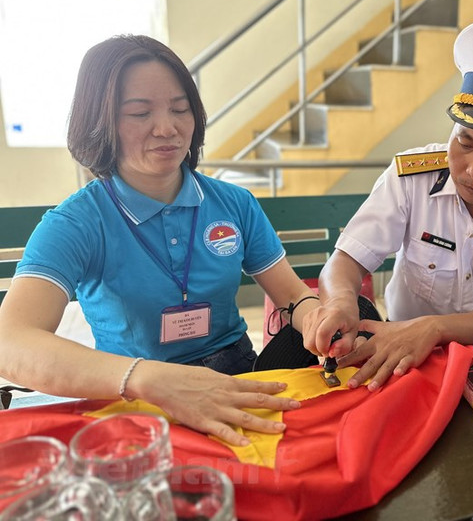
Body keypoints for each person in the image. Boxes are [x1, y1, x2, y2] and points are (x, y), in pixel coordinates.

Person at [0, 35, 320, 445]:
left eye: (180, 109)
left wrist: (316, 318)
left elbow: (293, 295)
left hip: (236, 371)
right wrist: (146, 378)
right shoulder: (77, 223)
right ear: (100, 122)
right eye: (139, 112)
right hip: (135, 392)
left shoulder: (233, 203)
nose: (167, 128)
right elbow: (11, 341)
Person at [301, 20, 473, 389]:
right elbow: (347, 260)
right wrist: (340, 300)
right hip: (404, 358)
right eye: (465, 143)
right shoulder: (411, 177)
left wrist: (433, 329)